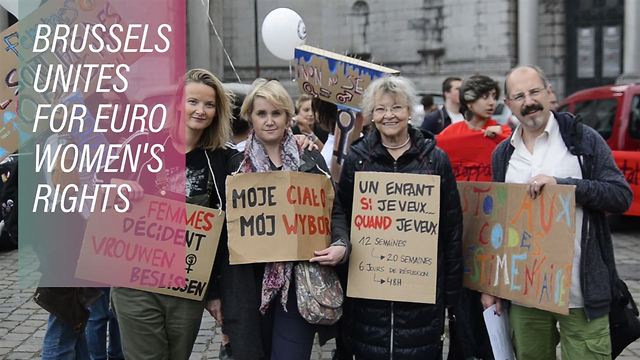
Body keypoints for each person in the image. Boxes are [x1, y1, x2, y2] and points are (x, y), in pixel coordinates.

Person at [482, 65, 632, 360]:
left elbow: (620, 196)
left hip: (581, 293)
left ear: (550, 93)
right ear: (508, 105)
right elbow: (497, 223)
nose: (529, 101)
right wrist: (493, 286)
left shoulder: (583, 141)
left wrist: (565, 187)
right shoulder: (503, 154)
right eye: (519, 96)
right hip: (525, 294)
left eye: (535, 91)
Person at [332, 76, 463, 359]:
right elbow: (340, 210)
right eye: (380, 109)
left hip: (421, 298)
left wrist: (451, 294)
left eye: (396, 108)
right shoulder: (358, 159)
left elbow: (452, 227)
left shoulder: (435, 160)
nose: (389, 115)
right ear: (371, 115)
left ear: (409, 111)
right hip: (369, 297)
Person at [111, 68, 238, 360]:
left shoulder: (224, 158)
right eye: (193, 101)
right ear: (179, 102)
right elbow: (102, 190)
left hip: (187, 285)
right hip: (136, 280)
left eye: (209, 104)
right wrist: (119, 187)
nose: (201, 110)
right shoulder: (142, 145)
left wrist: (302, 143)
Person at [219, 79, 346, 360]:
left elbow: (332, 211)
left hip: (298, 285)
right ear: (250, 116)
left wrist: (340, 244)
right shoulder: (234, 164)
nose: (269, 121)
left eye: (276, 113)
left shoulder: (310, 159)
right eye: (261, 114)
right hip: (249, 287)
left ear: (288, 117)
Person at [438, 75, 512, 140]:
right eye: (485, 97)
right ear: (469, 102)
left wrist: (499, 138)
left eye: (494, 97)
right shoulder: (451, 133)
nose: (492, 102)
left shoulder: (504, 132)